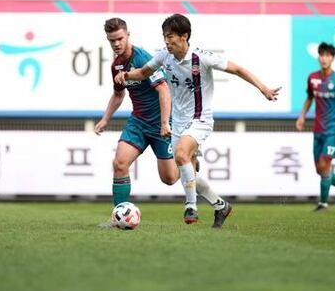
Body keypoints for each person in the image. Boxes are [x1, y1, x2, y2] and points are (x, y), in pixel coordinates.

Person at [115, 13, 280, 228]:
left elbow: (237, 69)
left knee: (182, 154)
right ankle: (221, 206)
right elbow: (144, 72)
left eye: (170, 37)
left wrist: (263, 88)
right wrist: (127, 76)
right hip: (178, 122)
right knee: (185, 171)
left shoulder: (201, 57)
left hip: (200, 119)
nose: (167, 41)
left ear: (184, 36)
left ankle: (190, 206)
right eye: (165, 37)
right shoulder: (164, 56)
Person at [95, 18, 179, 212]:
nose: (116, 44)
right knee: (119, 164)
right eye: (112, 40)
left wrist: (165, 123)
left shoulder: (143, 59)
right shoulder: (116, 66)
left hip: (160, 124)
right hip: (138, 122)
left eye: (119, 39)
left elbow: (163, 89)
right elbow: (118, 94)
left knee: (169, 178)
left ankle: (188, 159)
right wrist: (105, 119)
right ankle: (119, 214)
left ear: (128, 35)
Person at [295, 42, 335, 212]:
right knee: (320, 169)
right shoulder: (312, 78)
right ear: (318, 57)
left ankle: (323, 204)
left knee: (324, 164)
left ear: (333, 58)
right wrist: (302, 116)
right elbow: (310, 98)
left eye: (328, 55)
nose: (324, 58)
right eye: (322, 55)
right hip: (318, 129)